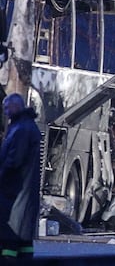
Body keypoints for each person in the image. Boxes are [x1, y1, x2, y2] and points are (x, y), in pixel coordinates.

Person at [0, 93, 41, 261]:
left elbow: (14, 160)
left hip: (15, 192)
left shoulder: (21, 129)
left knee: (10, 239)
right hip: (24, 192)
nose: (5, 112)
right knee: (24, 241)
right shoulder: (27, 126)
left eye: (7, 108)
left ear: (16, 106)